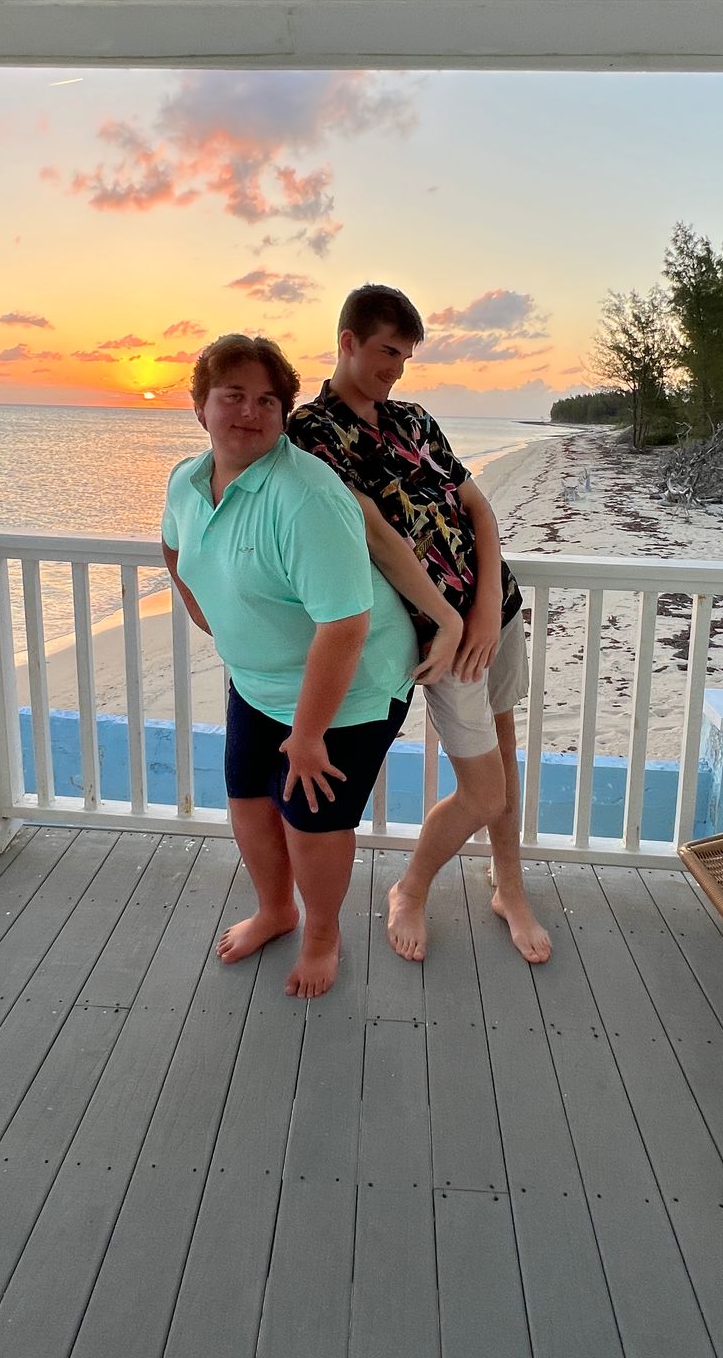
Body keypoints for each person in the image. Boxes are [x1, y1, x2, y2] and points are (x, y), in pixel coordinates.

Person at [287, 284, 554, 965]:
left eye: (405, 357)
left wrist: (485, 607)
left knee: (504, 754)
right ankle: (410, 888)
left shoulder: (413, 420)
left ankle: (510, 887)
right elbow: (376, 535)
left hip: (496, 611)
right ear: (347, 341)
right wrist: (452, 621)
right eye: (387, 353)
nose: (396, 370)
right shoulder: (311, 434)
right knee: (484, 791)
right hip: (438, 637)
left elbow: (478, 508)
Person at [161, 333, 424, 999]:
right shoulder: (187, 481)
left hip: (350, 688)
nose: (249, 412)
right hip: (258, 683)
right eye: (233, 396)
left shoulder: (305, 496)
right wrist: (210, 617)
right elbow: (172, 548)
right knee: (249, 803)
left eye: (267, 401)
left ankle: (322, 935)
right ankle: (276, 911)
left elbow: (345, 626)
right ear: (201, 407)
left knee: (311, 823)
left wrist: (307, 736)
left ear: (283, 414)